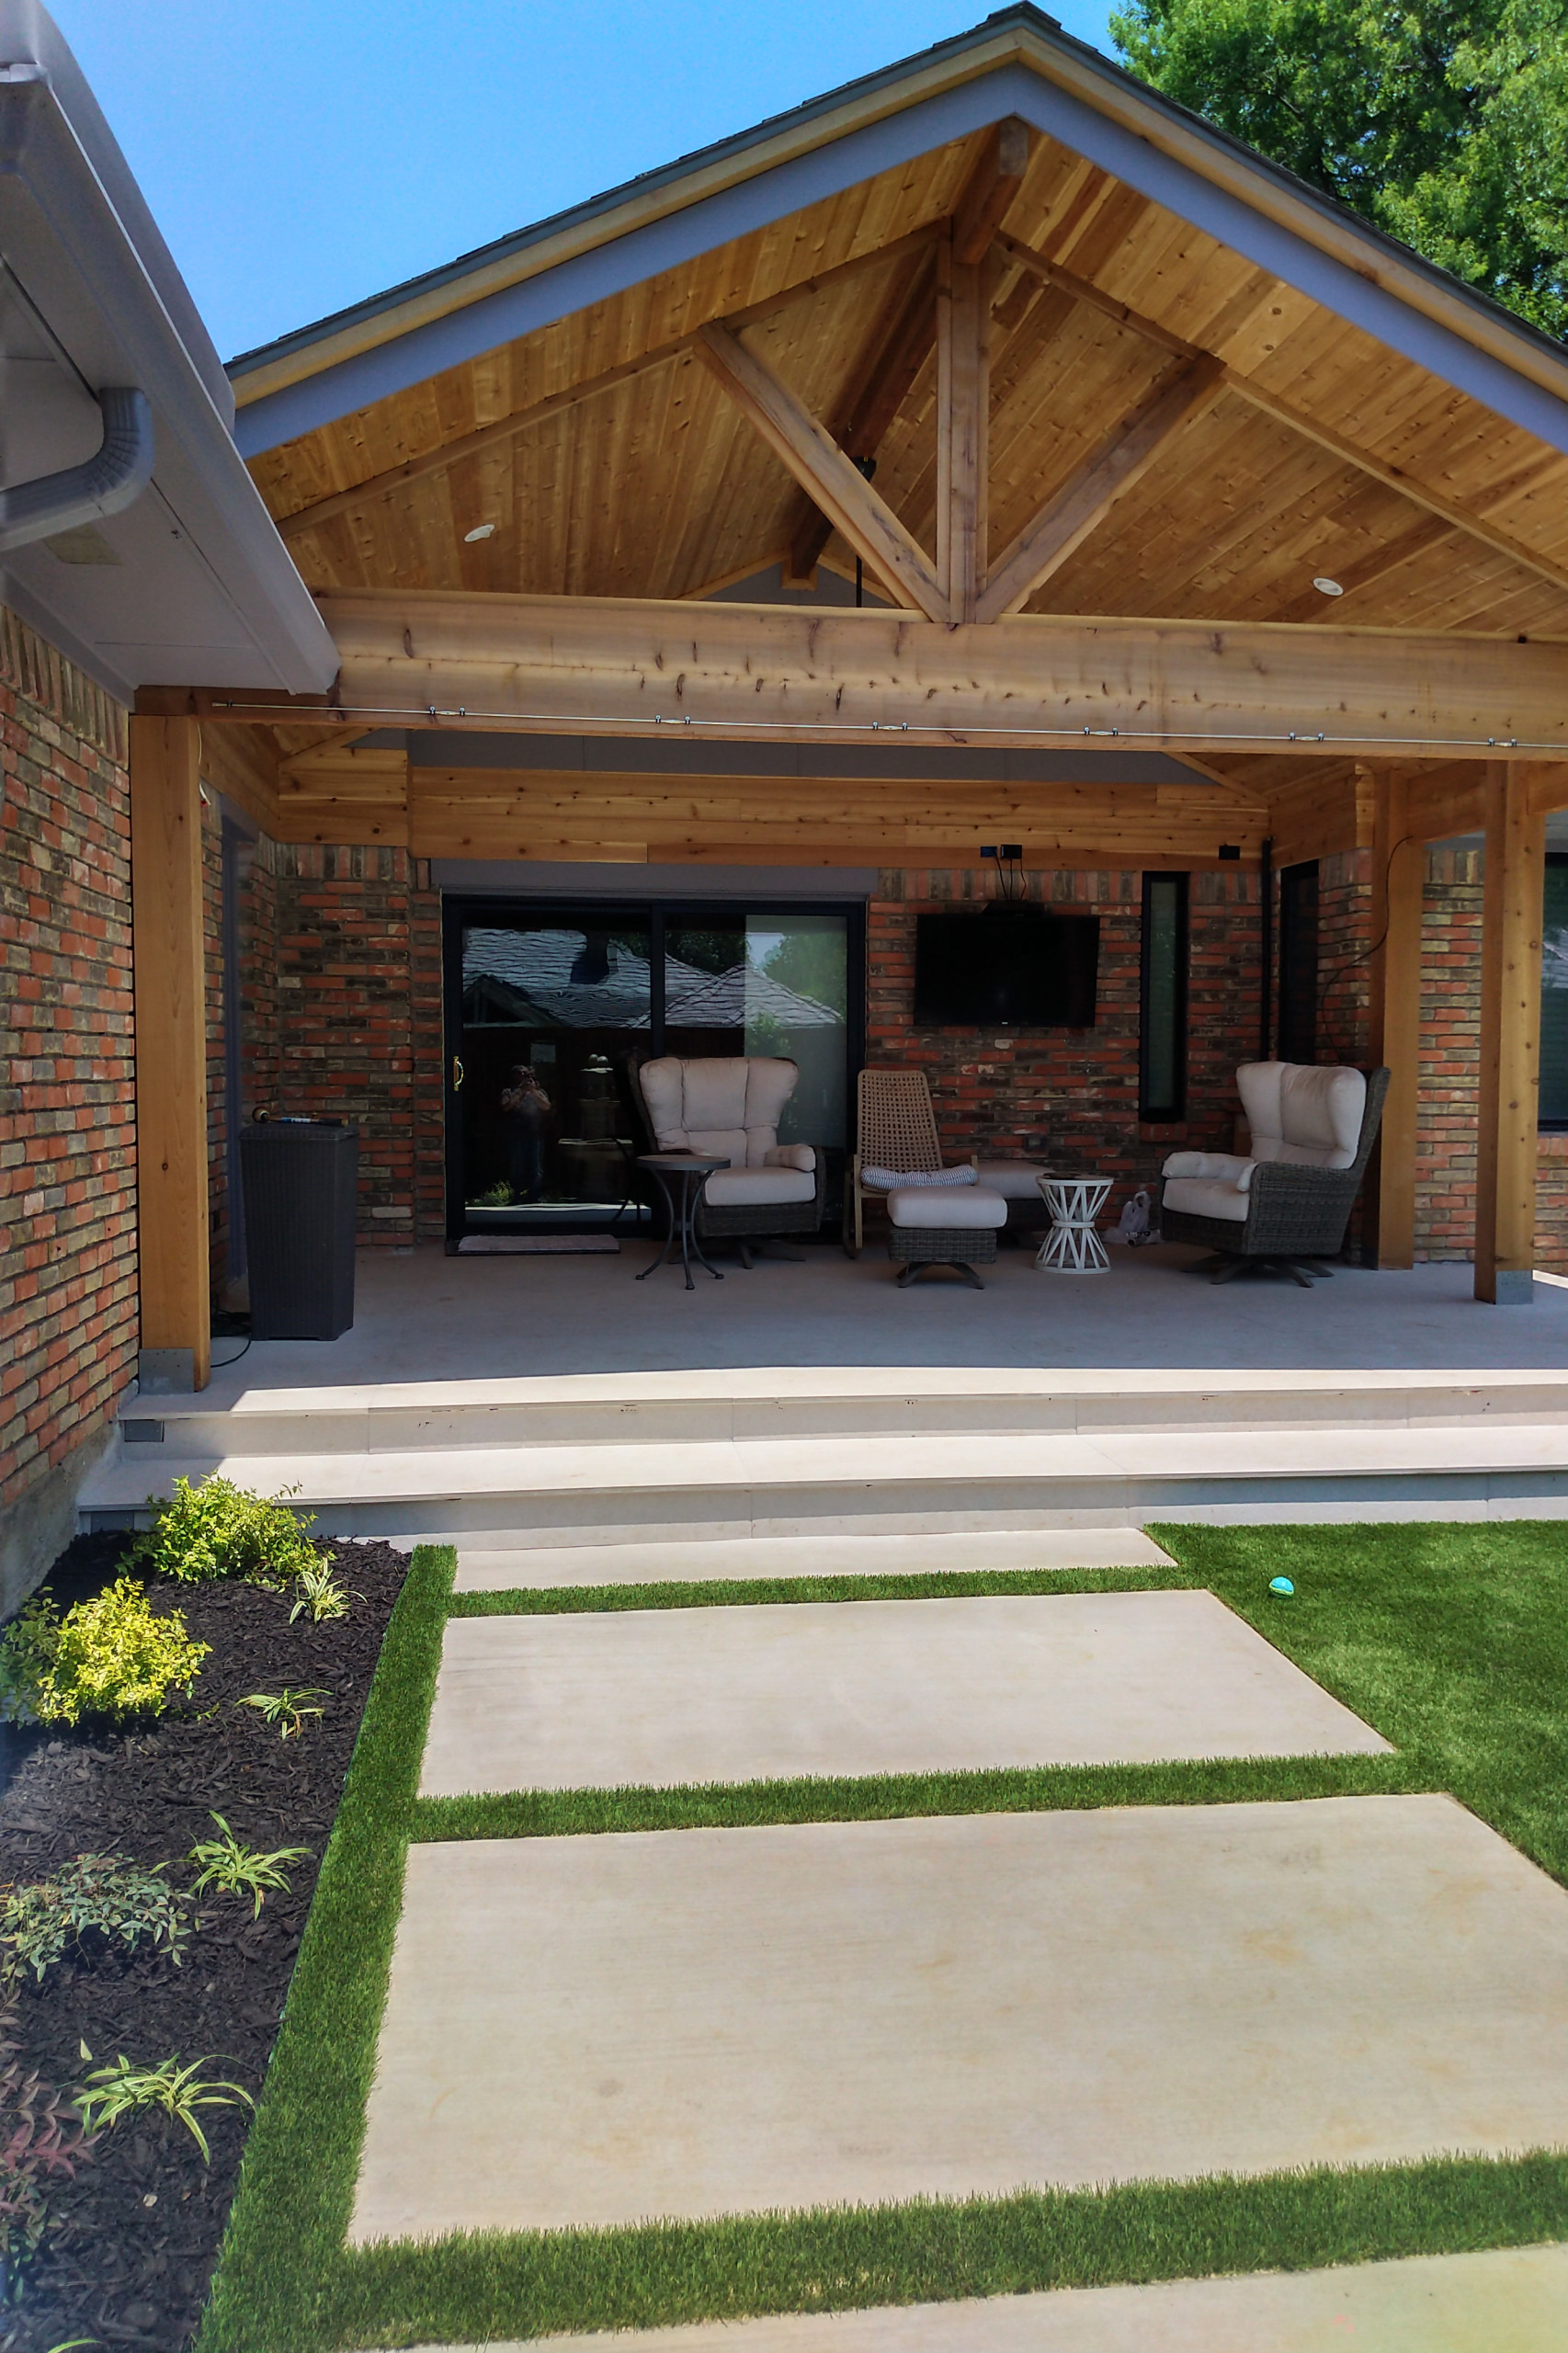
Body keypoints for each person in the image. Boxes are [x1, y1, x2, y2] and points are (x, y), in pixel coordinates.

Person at [499, 1063, 551, 1201]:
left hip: (535, 1134)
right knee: (517, 1167)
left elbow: (546, 1106)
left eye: (527, 1074)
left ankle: (534, 1196)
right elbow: (506, 1107)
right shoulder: (509, 1091)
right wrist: (521, 1092)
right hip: (516, 1135)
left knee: (536, 1168)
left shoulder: (538, 1091)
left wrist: (533, 1092)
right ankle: (517, 1196)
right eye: (520, 1073)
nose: (524, 1077)